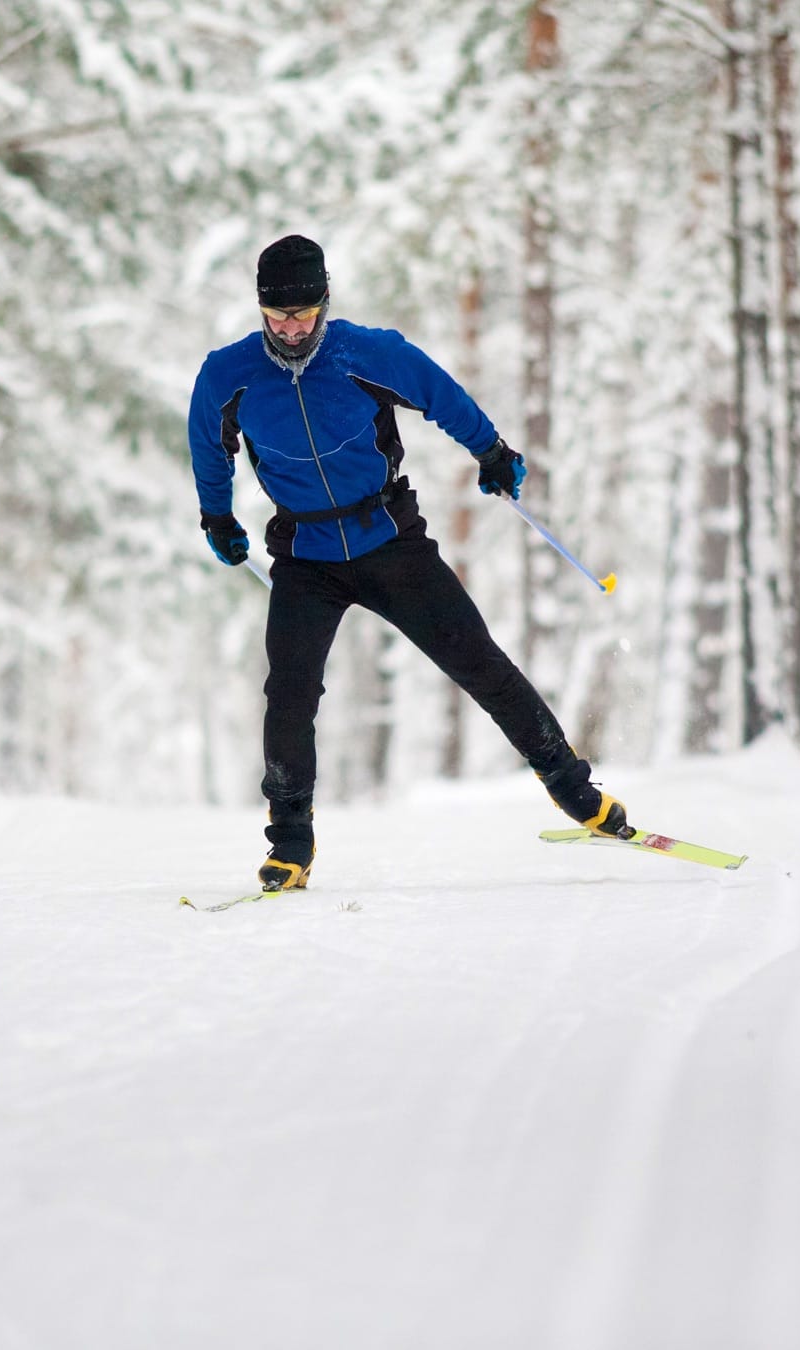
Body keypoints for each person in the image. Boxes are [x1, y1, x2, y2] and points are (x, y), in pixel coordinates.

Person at [186, 234, 636, 892]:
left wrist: (492, 452)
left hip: (389, 538)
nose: (291, 330)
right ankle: (290, 843)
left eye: (304, 315)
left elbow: (441, 395)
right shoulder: (228, 377)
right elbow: (208, 445)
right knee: (288, 694)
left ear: (324, 304)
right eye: (278, 318)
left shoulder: (368, 354)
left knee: (480, 664)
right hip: (305, 556)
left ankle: (578, 794)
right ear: (260, 312)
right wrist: (217, 517)